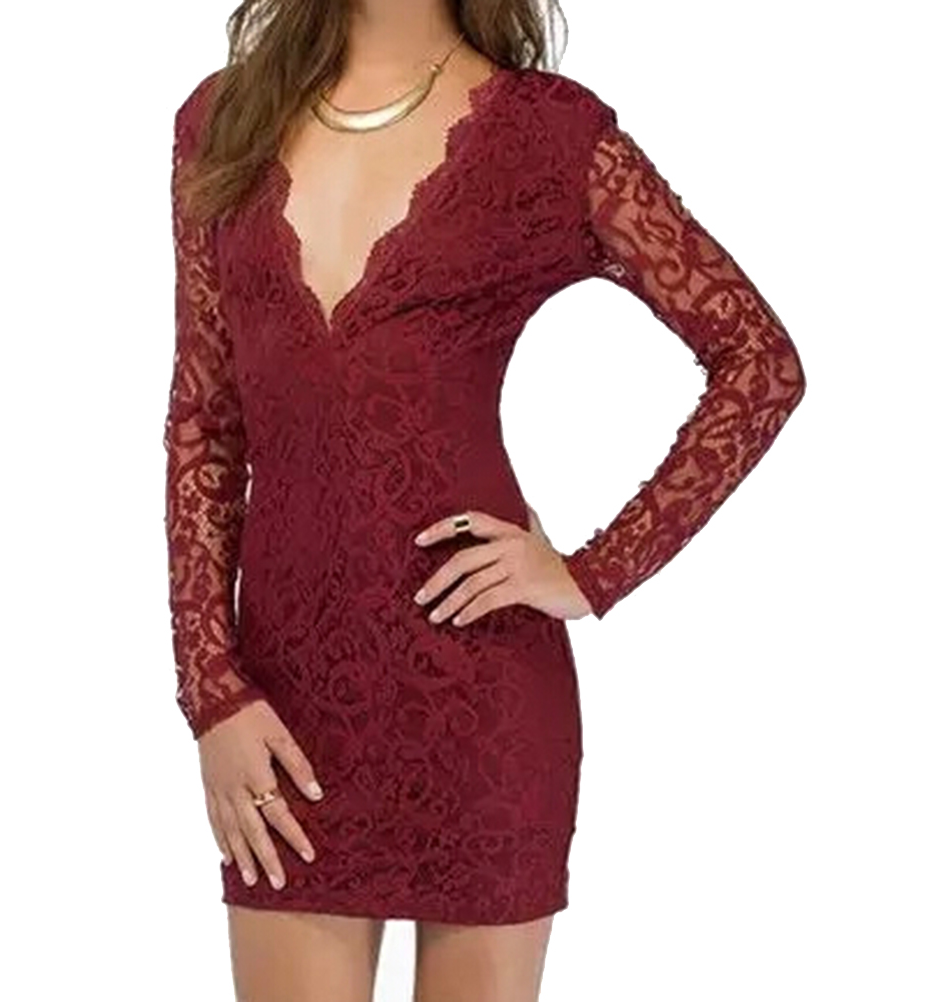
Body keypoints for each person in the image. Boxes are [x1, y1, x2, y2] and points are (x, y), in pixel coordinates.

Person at [162, 1, 807, 999]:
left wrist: (591, 572)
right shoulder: (222, 121)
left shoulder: (544, 134)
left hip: (480, 699)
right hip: (283, 717)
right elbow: (206, 424)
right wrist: (213, 694)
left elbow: (760, 362)